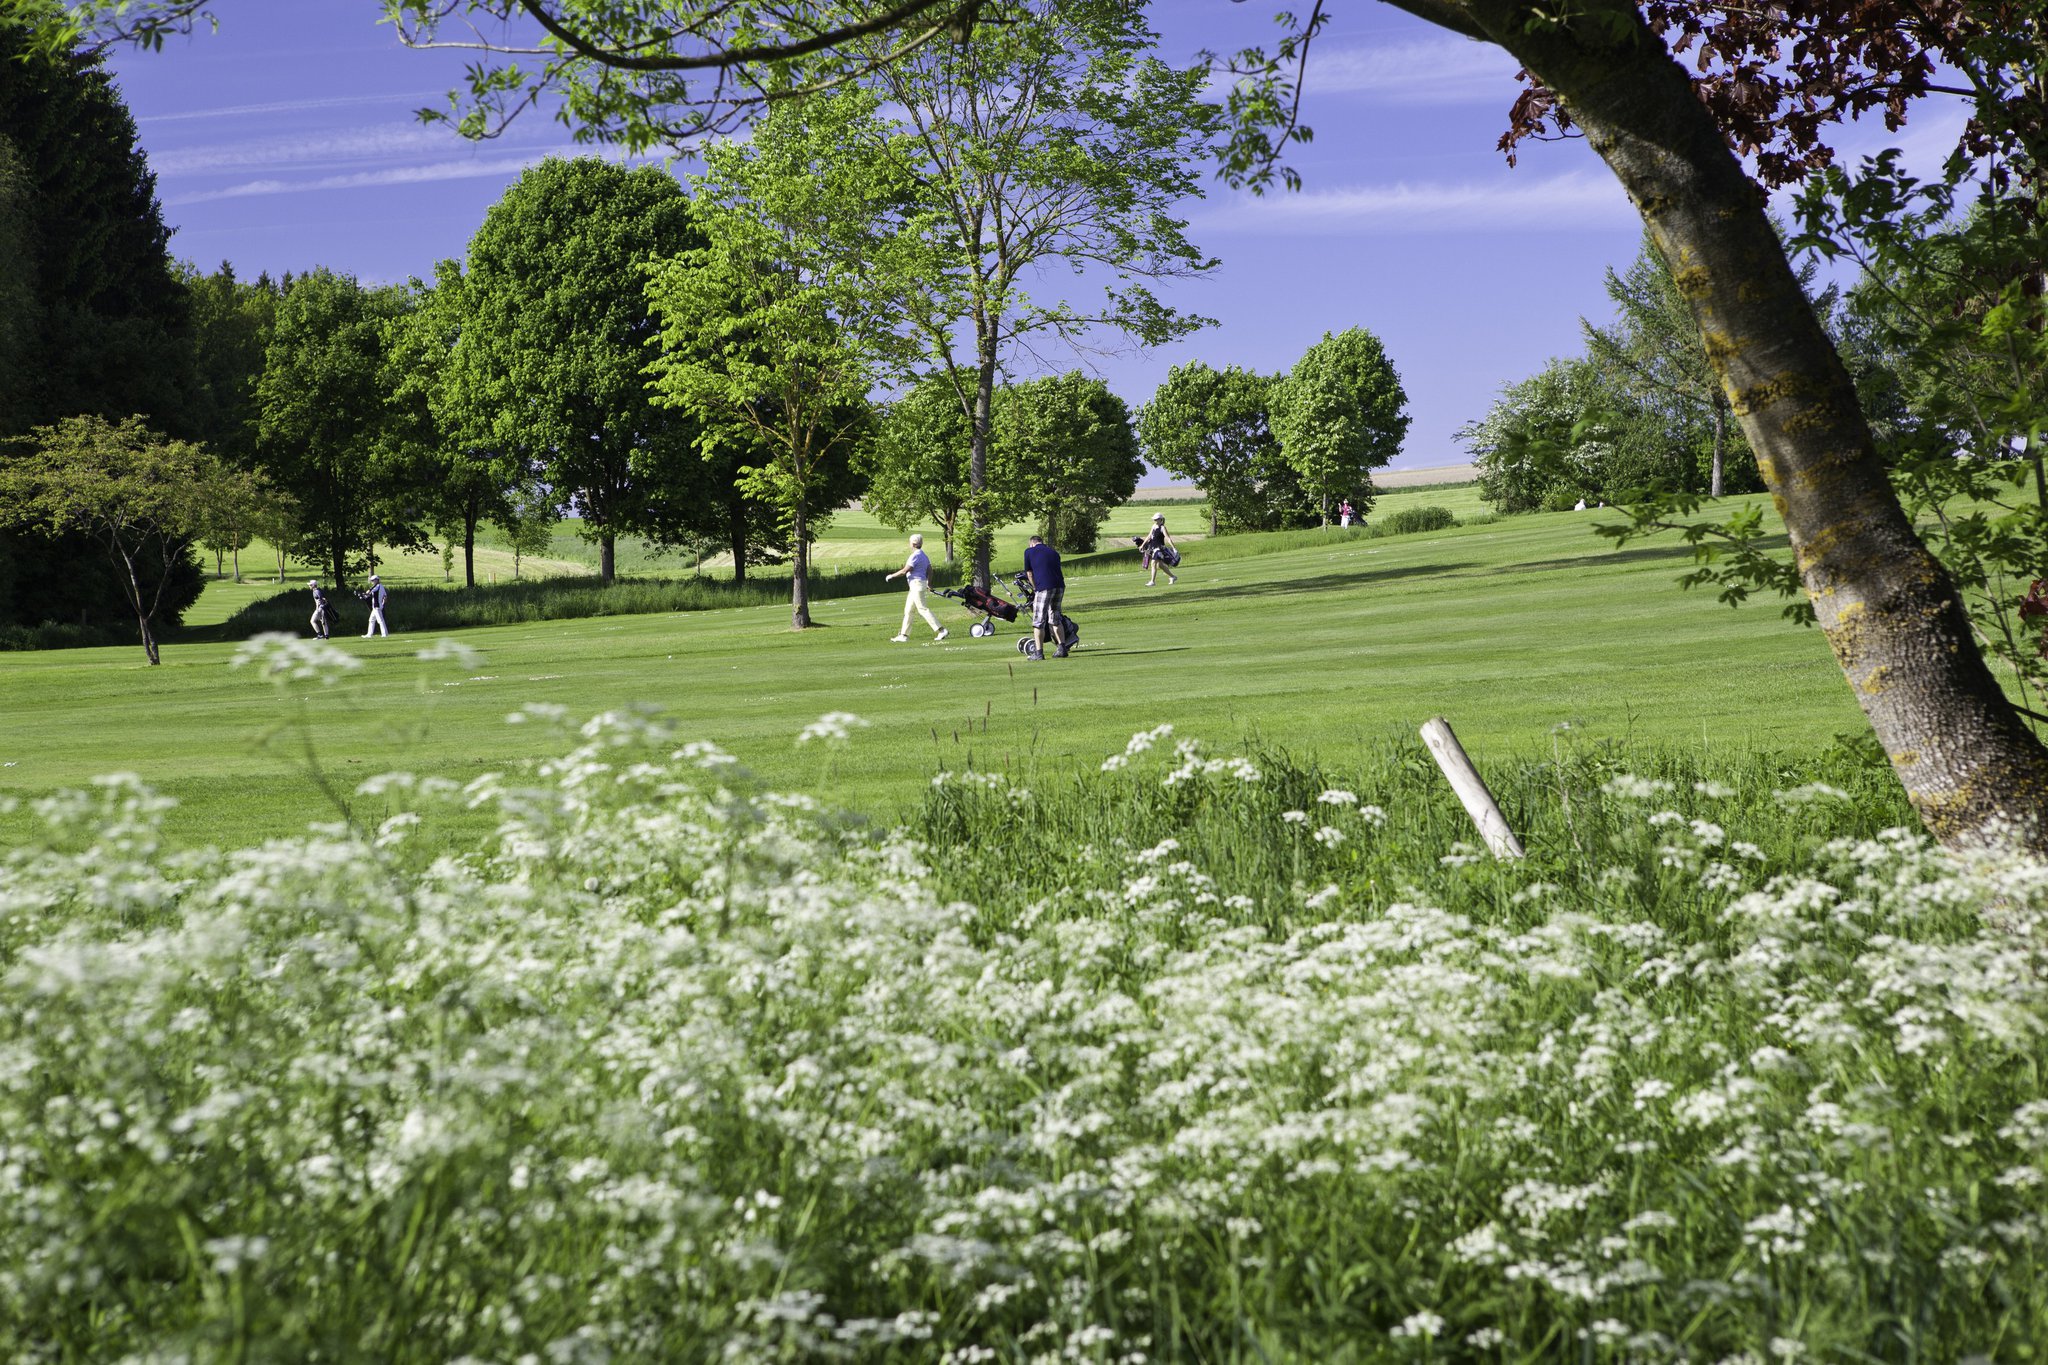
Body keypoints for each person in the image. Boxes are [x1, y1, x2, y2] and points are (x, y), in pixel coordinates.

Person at [883, 533, 947, 643]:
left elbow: (905, 570)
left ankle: (941, 630)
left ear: (913, 544)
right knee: (908, 610)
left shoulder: (915, 555)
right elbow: (930, 570)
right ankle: (904, 635)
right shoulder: (923, 555)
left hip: (916, 585)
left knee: (922, 609)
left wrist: (892, 576)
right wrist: (929, 583)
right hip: (916, 586)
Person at [1022, 532, 1068, 659]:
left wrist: (1035, 588)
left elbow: (1029, 574)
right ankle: (1062, 648)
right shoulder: (1054, 552)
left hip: (1044, 587)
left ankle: (1038, 653)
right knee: (1055, 618)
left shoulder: (1029, 551)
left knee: (1038, 621)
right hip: (1059, 586)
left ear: (1032, 543)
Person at [1140, 512, 1177, 586]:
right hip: (1153, 548)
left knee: (1153, 563)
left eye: (1156, 519)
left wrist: (1174, 548)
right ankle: (1172, 577)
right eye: (1154, 519)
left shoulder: (1163, 528)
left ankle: (1152, 581)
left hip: (1159, 549)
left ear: (1160, 519)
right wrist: (1142, 545)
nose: (1155, 521)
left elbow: (1168, 538)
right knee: (1160, 565)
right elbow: (1149, 536)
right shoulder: (1154, 526)